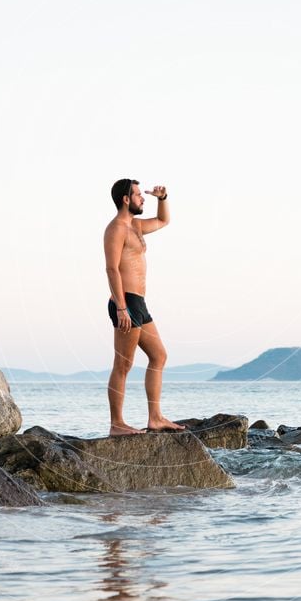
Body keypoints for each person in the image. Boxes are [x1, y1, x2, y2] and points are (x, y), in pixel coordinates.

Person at [104, 178, 186, 435]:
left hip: (138, 302)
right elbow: (112, 268)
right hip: (125, 301)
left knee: (158, 355)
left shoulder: (136, 226)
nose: (143, 198)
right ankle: (116, 424)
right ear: (126, 199)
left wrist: (163, 198)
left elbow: (163, 221)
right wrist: (120, 306)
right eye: (139, 195)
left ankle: (155, 417)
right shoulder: (116, 228)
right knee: (123, 365)